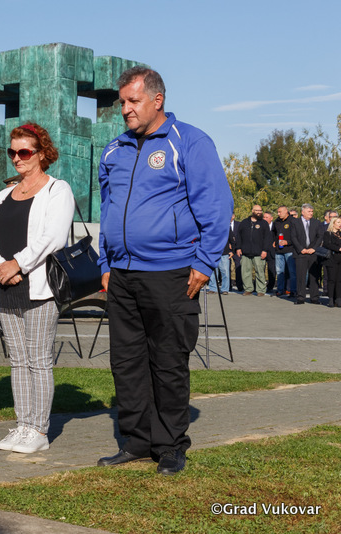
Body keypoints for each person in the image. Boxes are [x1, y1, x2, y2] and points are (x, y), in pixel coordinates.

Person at [96, 67, 233, 475]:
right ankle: (137, 441)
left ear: (157, 100)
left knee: (168, 361)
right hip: (122, 275)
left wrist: (204, 262)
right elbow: (107, 210)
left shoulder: (189, 141)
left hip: (172, 272)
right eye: (122, 101)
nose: (125, 109)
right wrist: (105, 262)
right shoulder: (113, 151)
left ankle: (170, 445)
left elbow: (217, 206)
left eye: (133, 101)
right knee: (127, 363)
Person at [0, 123, 73, 453]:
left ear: (42, 154)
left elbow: (53, 237)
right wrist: (0, 267)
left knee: (39, 360)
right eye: (12, 152)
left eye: (24, 152)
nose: (17, 158)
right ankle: (22, 425)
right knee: (18, 361)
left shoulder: (57, 190)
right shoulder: (3, 195)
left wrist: (17, 264)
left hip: (39, 288)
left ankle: (39, 430)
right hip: (6, 287)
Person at [234, 205, 271, 296]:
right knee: (245, 272)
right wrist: (238, 248)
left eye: (260, 210)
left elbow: (267, 238)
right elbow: (239, 236)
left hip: (259, 252)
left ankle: (261, 290)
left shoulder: (264, 223)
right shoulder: (244, 222)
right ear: (252, 211)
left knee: (260, 272)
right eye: (257, 210)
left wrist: (265, 250)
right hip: (245, 252)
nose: (259, 212)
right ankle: (248, 289)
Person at [291, 203, 323, 305]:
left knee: (314, 276)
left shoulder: (316, 222)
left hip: (313, 253)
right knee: (301, 276)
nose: (311, 213)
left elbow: (320, 236)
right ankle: (300, 297)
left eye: (312, 211)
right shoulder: (295, 222)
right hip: (300, 253)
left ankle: (314, 298)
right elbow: (293, 237)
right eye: (309, 211)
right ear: (303, 212)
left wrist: (314, 248)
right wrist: (301, 249)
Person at [207, 217, 234, 295]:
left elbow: (232, 240)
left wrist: (232, 251)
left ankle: (225, 289)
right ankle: (213, 288)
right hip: (213, 253)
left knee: (225, 272)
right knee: (213, 272)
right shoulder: (210, 227)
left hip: (224, 253)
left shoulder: (226, 227)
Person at [323, 216, 341, 307]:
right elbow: (326, 244)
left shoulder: (340, 234)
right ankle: (330, 299)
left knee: (339, 280)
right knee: (331, 279)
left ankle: (338, 299)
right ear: (333, 224)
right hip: (331, 259)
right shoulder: (328, 234)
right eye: (338, 222)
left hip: (340, 259)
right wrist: (338, 248)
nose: (340, 224)